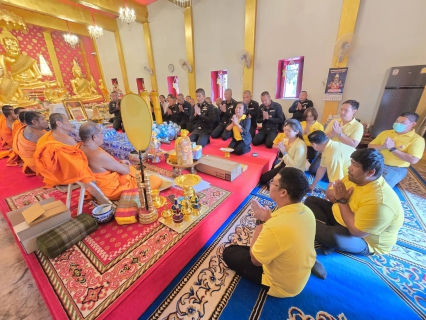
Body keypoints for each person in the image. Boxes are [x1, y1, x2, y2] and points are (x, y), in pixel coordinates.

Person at [223, 167, 316, 298]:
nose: (270, 183)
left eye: (273, 182)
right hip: (299, 273)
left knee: (230, 252)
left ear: (283, 192)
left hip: (282, 286)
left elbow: (255, 260)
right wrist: (267, 219)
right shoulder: (307, 211)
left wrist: (261, 221)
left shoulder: (275, 226)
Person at [304, 149, 404, 270]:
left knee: (314, 228)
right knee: (311, 201)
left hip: (363, 239)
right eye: (351, 163)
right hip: (342, 216)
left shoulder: (379, 202)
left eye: (355, 165)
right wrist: (338, 198)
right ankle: (324, 237)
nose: (349, 168)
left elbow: (356, 232)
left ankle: (325, 237)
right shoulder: (353, 177)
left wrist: (342, 200)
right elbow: (330, 196)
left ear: (370, 172)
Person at [78, 122, 137, 200]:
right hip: (112, 191)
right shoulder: (97, 155)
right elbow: (125, 170)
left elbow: (103, 166)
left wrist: (118, 163)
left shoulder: (79, 148)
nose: (103, 136)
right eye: (101, 133)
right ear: (94, 137)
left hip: (94, 188)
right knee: (154, 180)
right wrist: (125, 164)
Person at [34, 113, 93, 188]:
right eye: (67, 121)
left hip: (52, 174)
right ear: (59, 124)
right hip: (69, 173)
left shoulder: (45, 137)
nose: (70, 123)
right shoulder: (68, 139)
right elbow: (81, 156)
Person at [368, 112, 425, 188]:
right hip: (376, 163)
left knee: (380, 189)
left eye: (403, 122)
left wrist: (392, 148)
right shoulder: (385, 133)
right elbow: (370, 146)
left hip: (395, 168)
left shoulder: (417, 140)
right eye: (397, 121)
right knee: (359, 181)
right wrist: (383, 146)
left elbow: (413, 160)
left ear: (413, 124)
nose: (398, 124)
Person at [310, 100, 363, 173]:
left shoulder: (358, 126)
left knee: (333, 175)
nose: (342, 112)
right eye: (341, 109)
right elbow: (323, 137)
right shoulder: (334, 121)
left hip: (342, 156)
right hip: (327, 151)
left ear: (354, 111)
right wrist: (332, 133)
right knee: (312, 170)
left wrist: (339, 134)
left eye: (346, 110)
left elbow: (353, 144)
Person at [260, 119, 307, 184]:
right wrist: (280, 147)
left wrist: (284, 152)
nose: (285, 132)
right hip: (285, 164)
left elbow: (295, 166)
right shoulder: (287, 140)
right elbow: (276, 147)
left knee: (273, 184)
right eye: (285, 130)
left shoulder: (300, 146)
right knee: (264, 178)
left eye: (289, 131)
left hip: (293, 170)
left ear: (296, 132)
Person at [300, 108, 324, 174]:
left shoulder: (319, 126)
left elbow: (318, 141)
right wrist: (303, 131)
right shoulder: (301, 123)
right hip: (301, 144)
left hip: (312, 146)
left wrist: (308, 133)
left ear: (314, 116)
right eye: (307, 116)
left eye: (310, 116)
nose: (308, 118)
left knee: (307, 161)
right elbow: (296, 135)